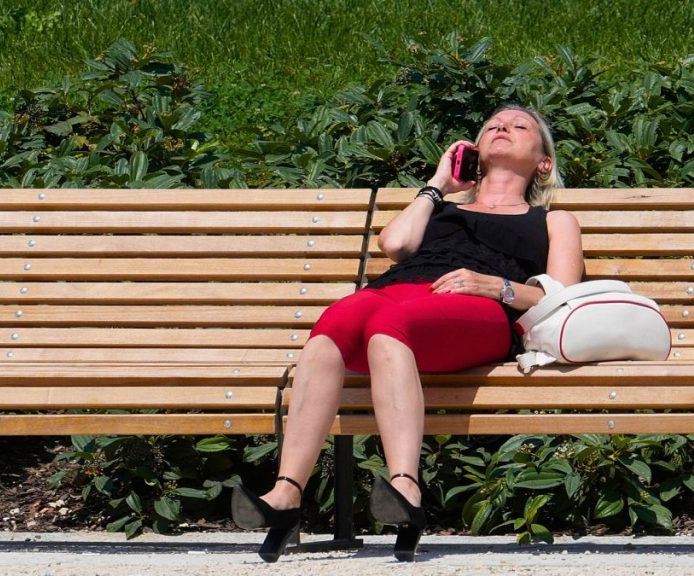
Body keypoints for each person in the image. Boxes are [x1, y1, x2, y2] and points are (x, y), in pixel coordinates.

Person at [231, 104, 584, 562]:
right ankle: (285, 495)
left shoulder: (552, 221)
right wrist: (438, 185)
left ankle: (406, 489)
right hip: (400, 295)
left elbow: (560, 295)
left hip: (478, 311)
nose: (503, 128)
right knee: (332, 324)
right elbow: (395, 245)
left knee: (386, 326)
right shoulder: (441, 209)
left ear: (544, 162)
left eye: (519, 127)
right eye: (493, 124)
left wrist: (491, 286)